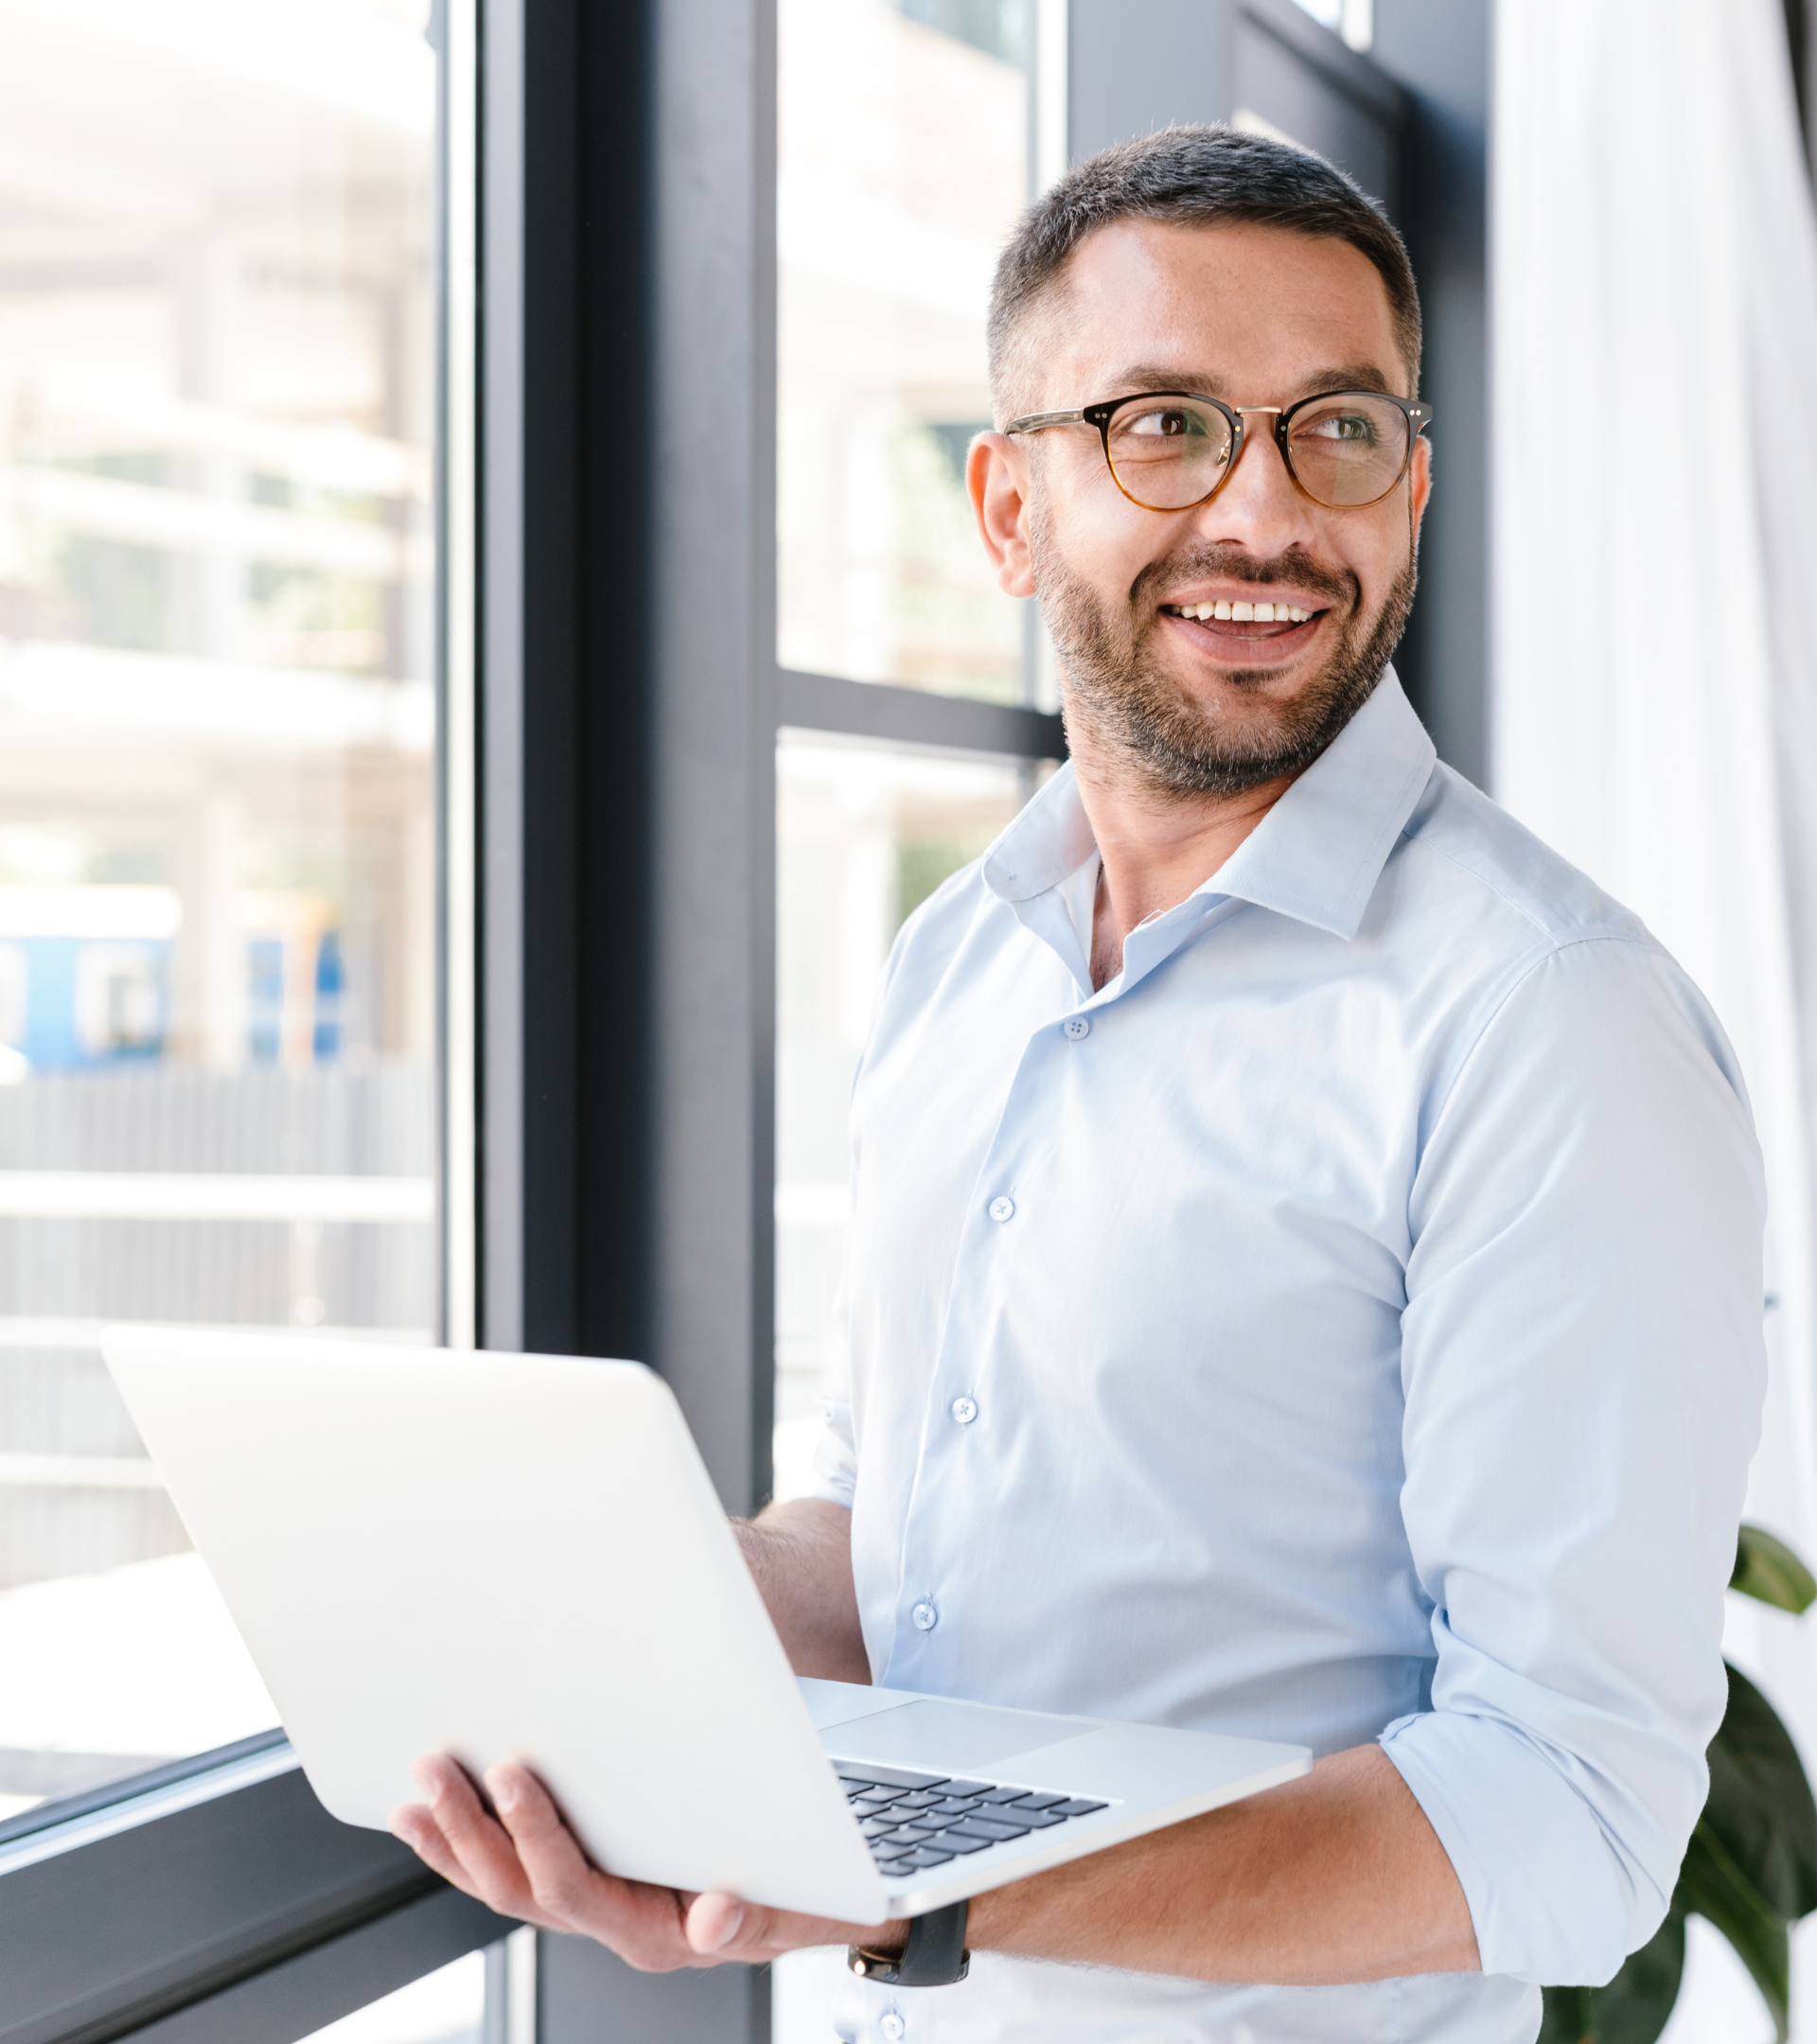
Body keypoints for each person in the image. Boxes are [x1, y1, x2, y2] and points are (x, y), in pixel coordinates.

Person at [392, 126, 1767, 2044]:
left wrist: (917, 1884)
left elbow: (1574, 1816)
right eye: (1164, 426)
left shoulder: (1547, 1022)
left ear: (1414, 486)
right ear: (1010, 507)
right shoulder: (962, 960)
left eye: (1335, 430)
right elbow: (890, 1538)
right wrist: (590, 1626)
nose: (1264, 517)